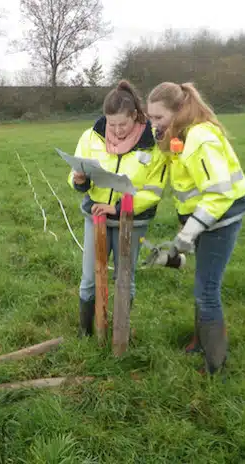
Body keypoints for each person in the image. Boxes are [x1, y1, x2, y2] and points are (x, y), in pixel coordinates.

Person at [146, 82, 245, 374]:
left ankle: (214, 364)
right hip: (203, 216)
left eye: (158, 118)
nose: (153, 124)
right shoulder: (178, 134)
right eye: (150, 117)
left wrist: (189, 233)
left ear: (178, 110)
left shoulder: (200, 139)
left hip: (223, 216)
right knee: (201, 285)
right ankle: (199, 343)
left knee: (207, 289)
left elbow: (219, 193)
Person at [68, 80, 168, 337]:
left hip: (131, 222)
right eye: (111, 124)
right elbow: (76, 173)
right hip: (96, 217)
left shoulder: (152, 143)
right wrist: (79, 179)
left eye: (122, 124)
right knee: (89, 278)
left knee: (125, 279)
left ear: (135, 116)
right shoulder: (91, 136)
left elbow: (154, 190)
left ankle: (120, 331)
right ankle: (86, 332)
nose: (117, 130)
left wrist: (118, 206)